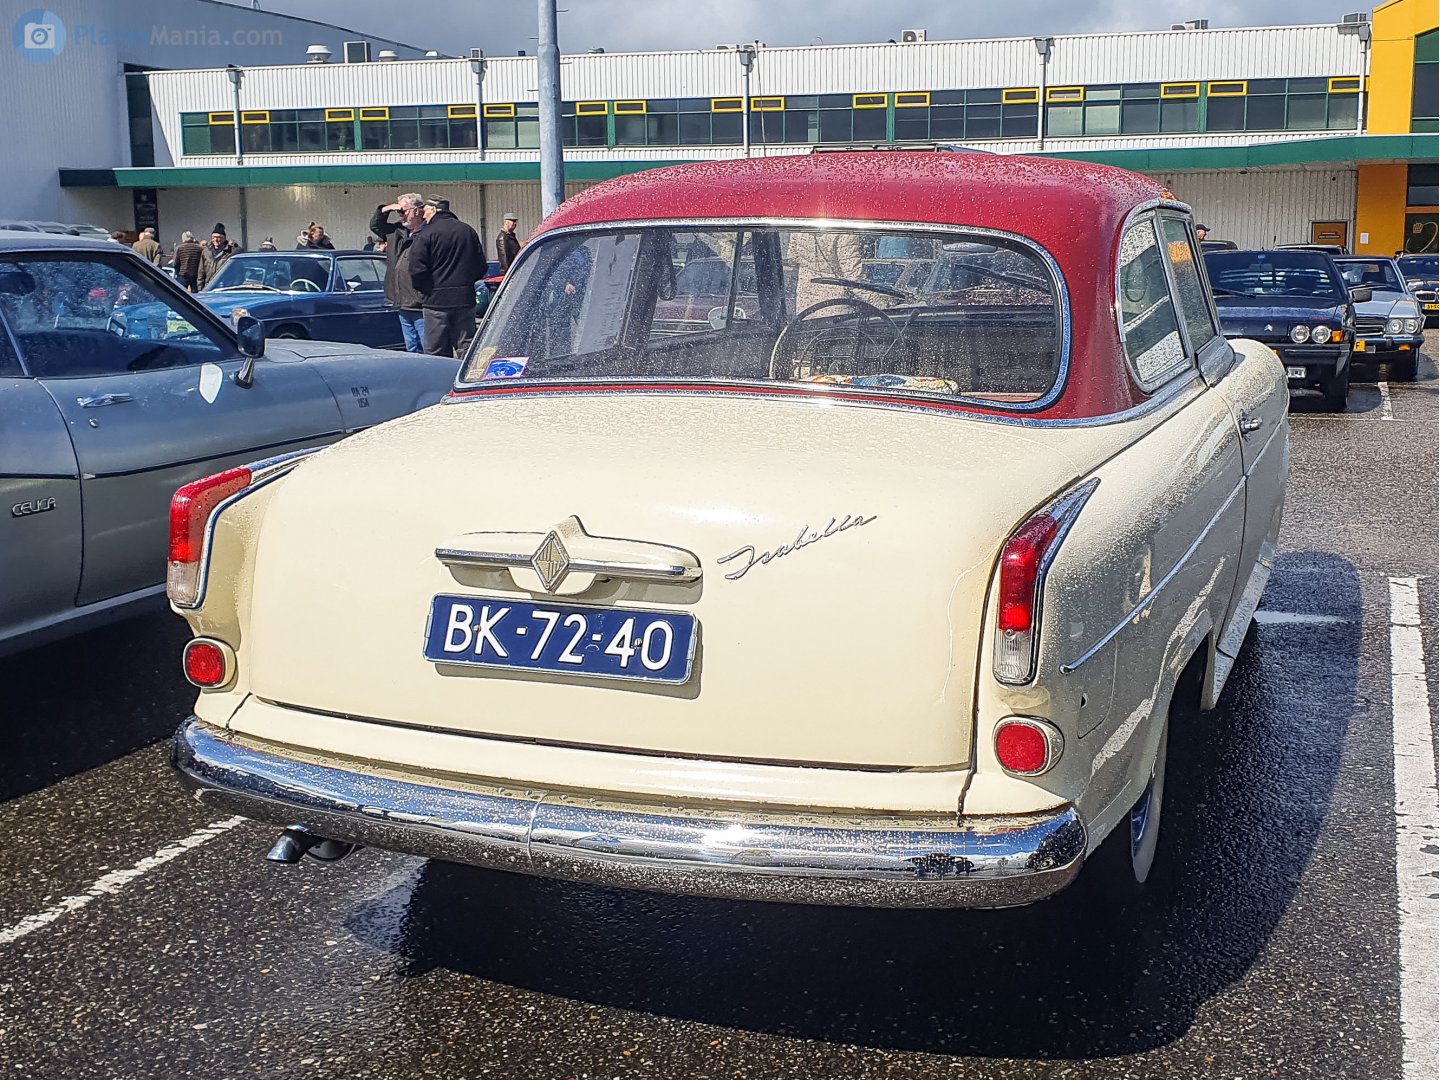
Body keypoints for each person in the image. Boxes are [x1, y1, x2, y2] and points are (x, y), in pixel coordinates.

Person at [408, 195, 482, 358]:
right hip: (464, 300)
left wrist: (425, 290)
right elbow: (480, 266)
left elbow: (416, 269)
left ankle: (439, 383)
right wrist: (466, 283)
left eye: (425, 211)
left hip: (435, 302)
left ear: (434, 210)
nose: (423, 215)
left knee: (436, 352)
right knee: (466, 349)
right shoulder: (467, 231)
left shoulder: (426, 234)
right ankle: (467, 381)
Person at [370, 193, 428, 353]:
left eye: (404, 211)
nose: (401, 215)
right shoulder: (396, 231)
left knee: (426, 343)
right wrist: (386, 209)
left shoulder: (428, 232)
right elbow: (375, 225)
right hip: (400, 298)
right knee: (411, 344)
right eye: (399, 212)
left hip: (419, 299)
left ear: (417, 211)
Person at [197, 223, 234, 290]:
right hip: (208, 287)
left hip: (224, 288)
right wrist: (200, 289)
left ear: (224, 238)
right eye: (213, 237)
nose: (215, 240)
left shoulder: (230, 251)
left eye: (218, 237)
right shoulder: (206, 251)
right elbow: (201, 272)